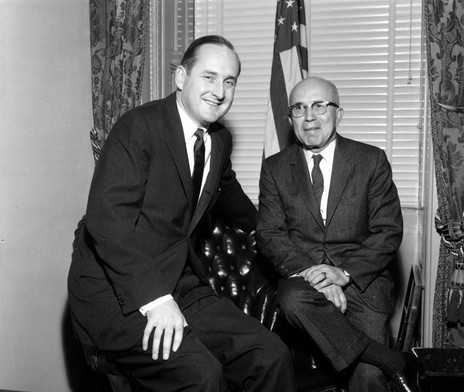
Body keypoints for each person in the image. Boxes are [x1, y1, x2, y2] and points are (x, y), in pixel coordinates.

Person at [68, 35, 295, 392]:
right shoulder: (138, 127)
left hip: (179, 282)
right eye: (209, 77)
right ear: (181, 78)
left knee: (271, 354)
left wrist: (277, 235)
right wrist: (155, 300)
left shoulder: (218, 140)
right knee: (202, 374)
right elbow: (107, 225)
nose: (220, 91)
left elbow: (229, 194)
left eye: (229, 81)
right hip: (116, 293)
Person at [256, 76, 418, 392]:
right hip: (305, 285)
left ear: (338, 114)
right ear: (290, 119)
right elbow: (269, 234)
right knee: (290, 298)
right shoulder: (275, 167)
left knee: (369, 377)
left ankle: (376, 362)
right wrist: (315, 276)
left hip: (362, 284)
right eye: (299, 109)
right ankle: (389, 358)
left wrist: (342, 274)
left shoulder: (370, 160)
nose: (309, 117)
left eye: (319, 106)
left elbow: (388, 231)